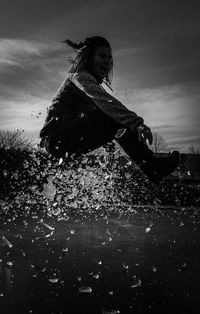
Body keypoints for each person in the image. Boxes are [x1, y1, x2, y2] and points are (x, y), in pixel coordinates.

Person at [39, 36, 179, 184]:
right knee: (112, 115)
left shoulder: (88, 82)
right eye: (102, 56)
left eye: (109, 58)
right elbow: (105, 102)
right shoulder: (79, 77)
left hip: (66, 144)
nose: (107, 61)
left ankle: (151, 168)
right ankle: (153, 166)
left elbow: (99, 123)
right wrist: (136, 122)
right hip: (55, 140)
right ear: (89, 58)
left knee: (116, 122)